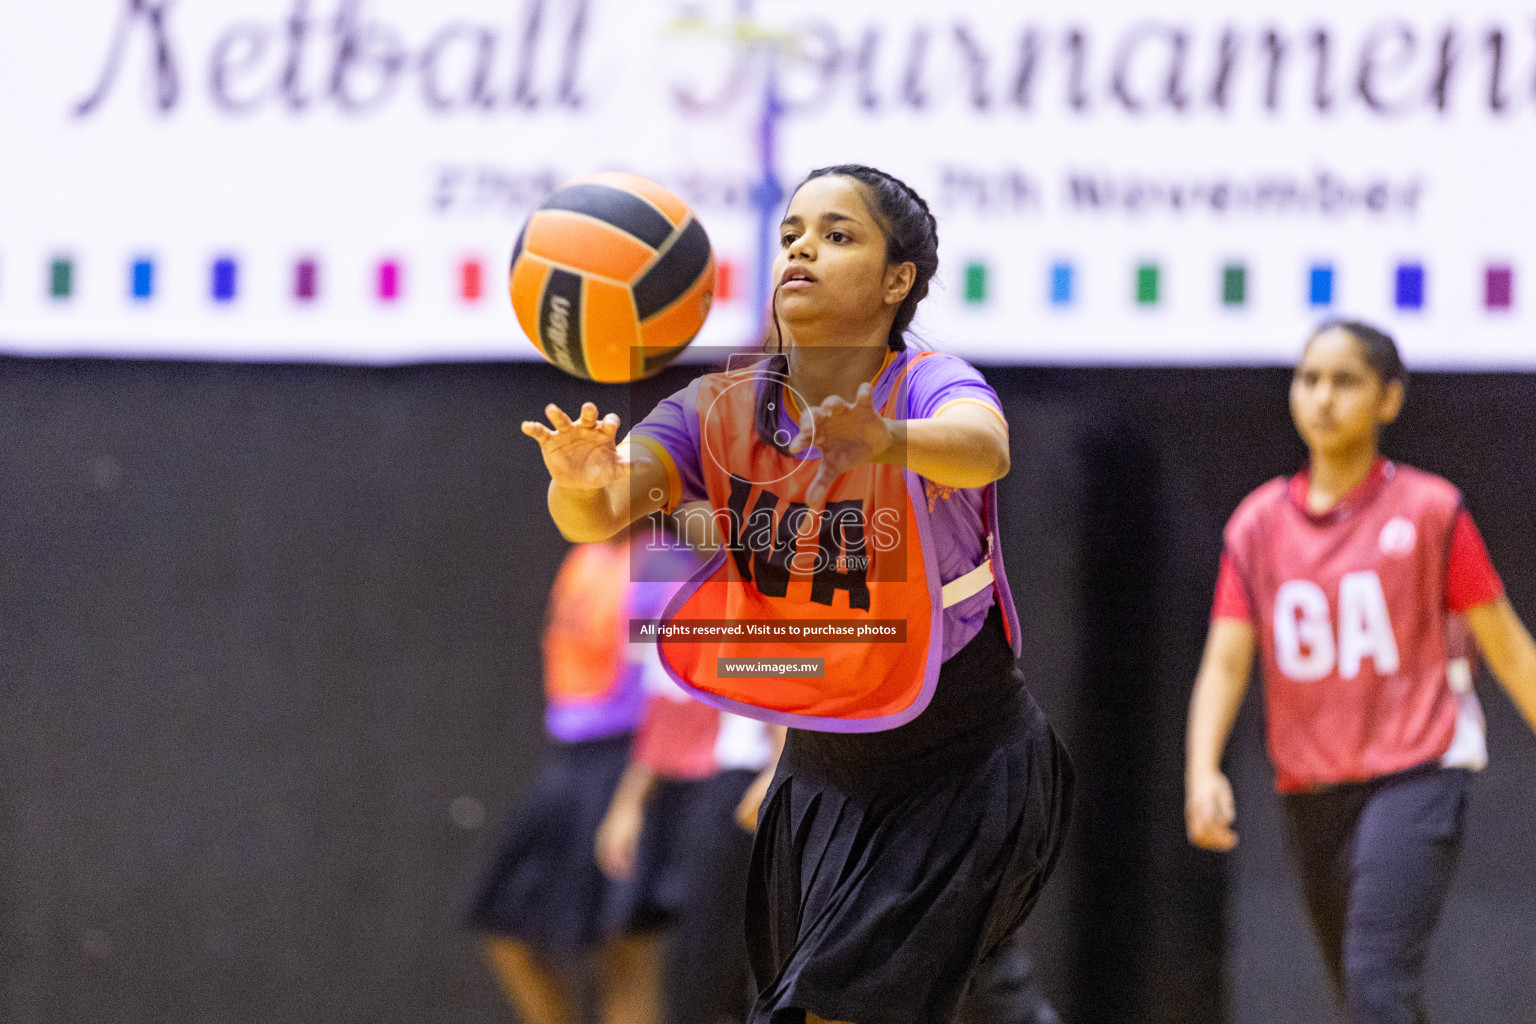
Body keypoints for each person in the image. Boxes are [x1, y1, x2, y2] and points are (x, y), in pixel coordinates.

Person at [523, 164, 1072, 1024]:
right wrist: (583, 481)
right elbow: (595, 517)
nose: (802, 250)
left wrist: (886, 439)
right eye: (790, 236)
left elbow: (984, 447)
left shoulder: (928, 382)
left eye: (837, 234)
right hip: (824, 770)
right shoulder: (715, 409)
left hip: (959, 767)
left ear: (899, 281)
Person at [1184, 320, 1536, 1024]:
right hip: (1312, 787)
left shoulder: (1431, 510)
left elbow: (1507, 646)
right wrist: (1202, 771)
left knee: (1376, 977)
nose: (1322, 397)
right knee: (1369, 994)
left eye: (1344, 381)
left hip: (1418, 771)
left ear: (1389, 400)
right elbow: (1226, 659)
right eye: (1309, 378)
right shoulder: (1257, 524)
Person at [464, 526, 672, 1024]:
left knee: (625, 948)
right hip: (571, 762)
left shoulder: (662, 561)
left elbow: (668, 690)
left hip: (629, 761)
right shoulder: (586, 556)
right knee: (506, 927)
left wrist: (631, 801)